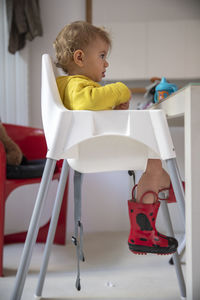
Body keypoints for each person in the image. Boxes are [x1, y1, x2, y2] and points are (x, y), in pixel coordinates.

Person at [53, 20, 178, 255]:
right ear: (79, 58)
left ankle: (160, 182)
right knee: (154, 148)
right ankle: (159, 186)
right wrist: (121, 89)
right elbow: (86, 101)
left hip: (88, 148)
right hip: (91, 151)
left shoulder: (72, 86)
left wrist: (113, 111)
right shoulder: (74, 85)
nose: (106, 62)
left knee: (154, 155)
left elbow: (90, 110)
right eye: (101, 55)